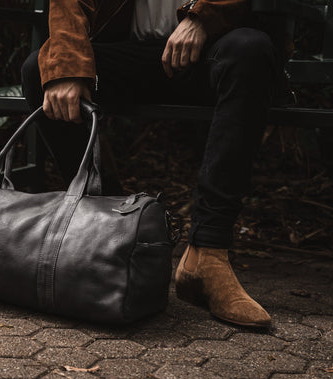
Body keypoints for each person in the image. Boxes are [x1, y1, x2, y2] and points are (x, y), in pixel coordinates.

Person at [21, 0, 287, 327]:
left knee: (251, 49)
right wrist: (67, 67)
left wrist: (202, 17)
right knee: (42, 70)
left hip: (210, 51)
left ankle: (208, 253)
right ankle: (112, 238)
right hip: (132, 54)